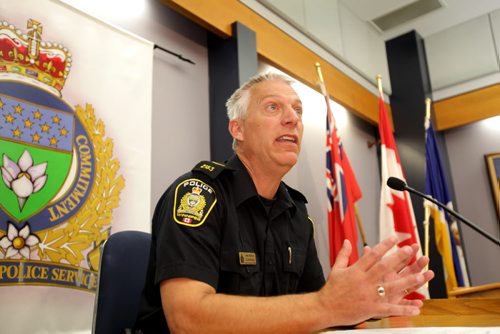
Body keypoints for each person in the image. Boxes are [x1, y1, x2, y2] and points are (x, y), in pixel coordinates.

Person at [133, 72, 434, 333]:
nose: (292, 119)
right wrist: (326, 305)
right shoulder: (198, 195)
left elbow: (313, 311)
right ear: (237, 129)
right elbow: (187, 320)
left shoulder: (297, 215)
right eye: (273, 107)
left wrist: (360, 304)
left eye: (298, 111)